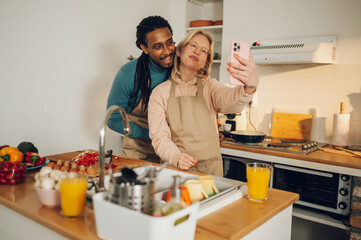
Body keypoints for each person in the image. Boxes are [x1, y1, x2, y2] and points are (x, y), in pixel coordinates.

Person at [148, 30, 259, 176]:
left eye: (204, 51)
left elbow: (230, 101)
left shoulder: (210, 87)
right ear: (180, 51)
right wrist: (175, 157)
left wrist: (249, 87)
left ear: (206, 60)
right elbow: (159, 137)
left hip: (211, 171)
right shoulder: (160, 93)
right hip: (178, 170)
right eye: (193, 46)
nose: (197, 52)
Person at [107, 16, 176, 163]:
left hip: (176, 149)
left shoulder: (181, 67)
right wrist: (153, 134)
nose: (167, 51)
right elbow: (113, 119)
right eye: (158, 46)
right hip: (140, 150)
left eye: (169, 43)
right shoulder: (128, 74)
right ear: (144, 48)